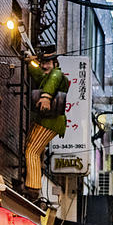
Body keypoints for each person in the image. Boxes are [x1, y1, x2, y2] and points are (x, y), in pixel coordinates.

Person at [25, 46, 69, 191]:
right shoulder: (47, 77)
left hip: (51, 120)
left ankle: (33, 188)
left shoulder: (57, 74)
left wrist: (46, 97)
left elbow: (53, 81)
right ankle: (34, 183)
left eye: (48, 63)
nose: (44, 66)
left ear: (55, 63)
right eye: (43, 63)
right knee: (33, 149)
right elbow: (39, 75)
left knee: (32, 151)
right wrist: (30, 61)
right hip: (48, 120)